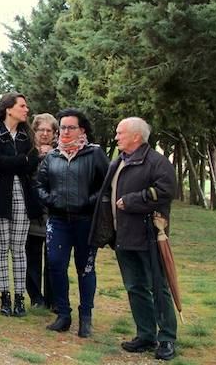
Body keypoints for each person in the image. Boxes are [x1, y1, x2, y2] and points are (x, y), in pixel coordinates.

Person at [91, 118, 178, 361]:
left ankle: (167, 338)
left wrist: (132, 200)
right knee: (134, 287)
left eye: (120, 133)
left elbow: (166, 191)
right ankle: (146, 335)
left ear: (136, 137)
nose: (116, 137)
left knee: (159, 287)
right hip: (124, 236)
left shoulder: (157, 162)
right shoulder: (119, 161)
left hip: (149, 235)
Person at [36, 108, 108, 338]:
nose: (65, 131)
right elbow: (39, 184)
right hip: (58, 221)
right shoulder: (52, 156)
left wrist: (88, 201)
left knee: (85, 268)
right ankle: (63, 315)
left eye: (71, 127)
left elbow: (106, 185)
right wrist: (50, 200)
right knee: (56, 265)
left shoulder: (94, 153)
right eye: (63, 127)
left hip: (86, 220)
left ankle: (85, 317)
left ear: (82, 130)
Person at [0, 93, 43, 318]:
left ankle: (20, 298)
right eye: (22, 106)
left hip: (22, 197)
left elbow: (32, 162)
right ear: (9, 109)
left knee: (19, 249)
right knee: (1, 248)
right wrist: (21, 161)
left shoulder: (27, 135)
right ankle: (5, 296)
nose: (26, 110)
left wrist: (21, 162)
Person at [28, 113, 58, 309]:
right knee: (32, 257)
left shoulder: (60, 153)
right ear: (35, 131)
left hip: (54, 212)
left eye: (49, 130)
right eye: (41, 130)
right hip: (32, 212)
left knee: (53, 258)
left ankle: (52, 299)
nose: (45, 134)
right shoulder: (28, 152)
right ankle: (35, 298)